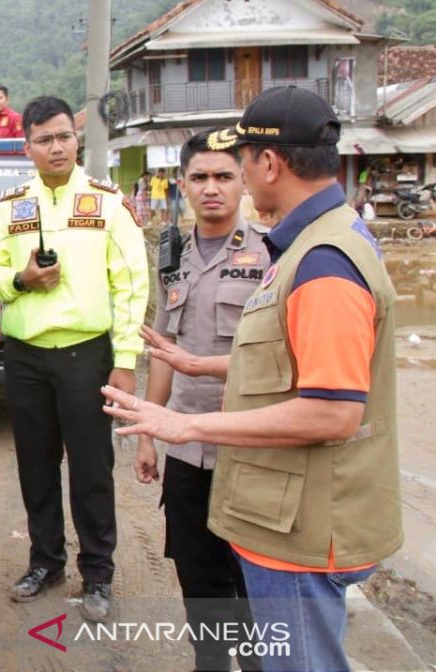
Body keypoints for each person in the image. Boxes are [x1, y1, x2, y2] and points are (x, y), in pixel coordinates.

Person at [105, 86, 402, 672]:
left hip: (296, 507)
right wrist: (183, 382)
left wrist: (184, 422)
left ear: (266, 166)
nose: (216, 185)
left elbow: (332, 410)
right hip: (263, 487)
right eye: (200, 176)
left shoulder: (319, 261)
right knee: (211, 597)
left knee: (294, 657)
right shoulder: (310, 246)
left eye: (235, 167)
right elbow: (281, 363)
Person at [0, 95, 148, 622]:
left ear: (77, 141)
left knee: (93, 469)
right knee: (35, 465)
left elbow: (131, 284)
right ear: (27, 147)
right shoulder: (10, 208)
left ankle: (97, 573)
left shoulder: (106, 203)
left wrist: (125, 359)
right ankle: (45, 561)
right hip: (27, 357)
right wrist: (20, 281)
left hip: (86, 355)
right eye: (44, 139)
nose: (56, 147)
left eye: (63, 136)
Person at [133, 128, 268, 671]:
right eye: (200, 177)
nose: (211, 188)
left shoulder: (271, 254)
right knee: (196, 571)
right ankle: (210, 663)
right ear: (183, 184)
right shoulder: (171, 257)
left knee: (253, 578)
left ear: (245, 183)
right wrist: (149, 433)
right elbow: (163, 351)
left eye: (223, 176)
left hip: (253, 449)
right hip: (187, 450)